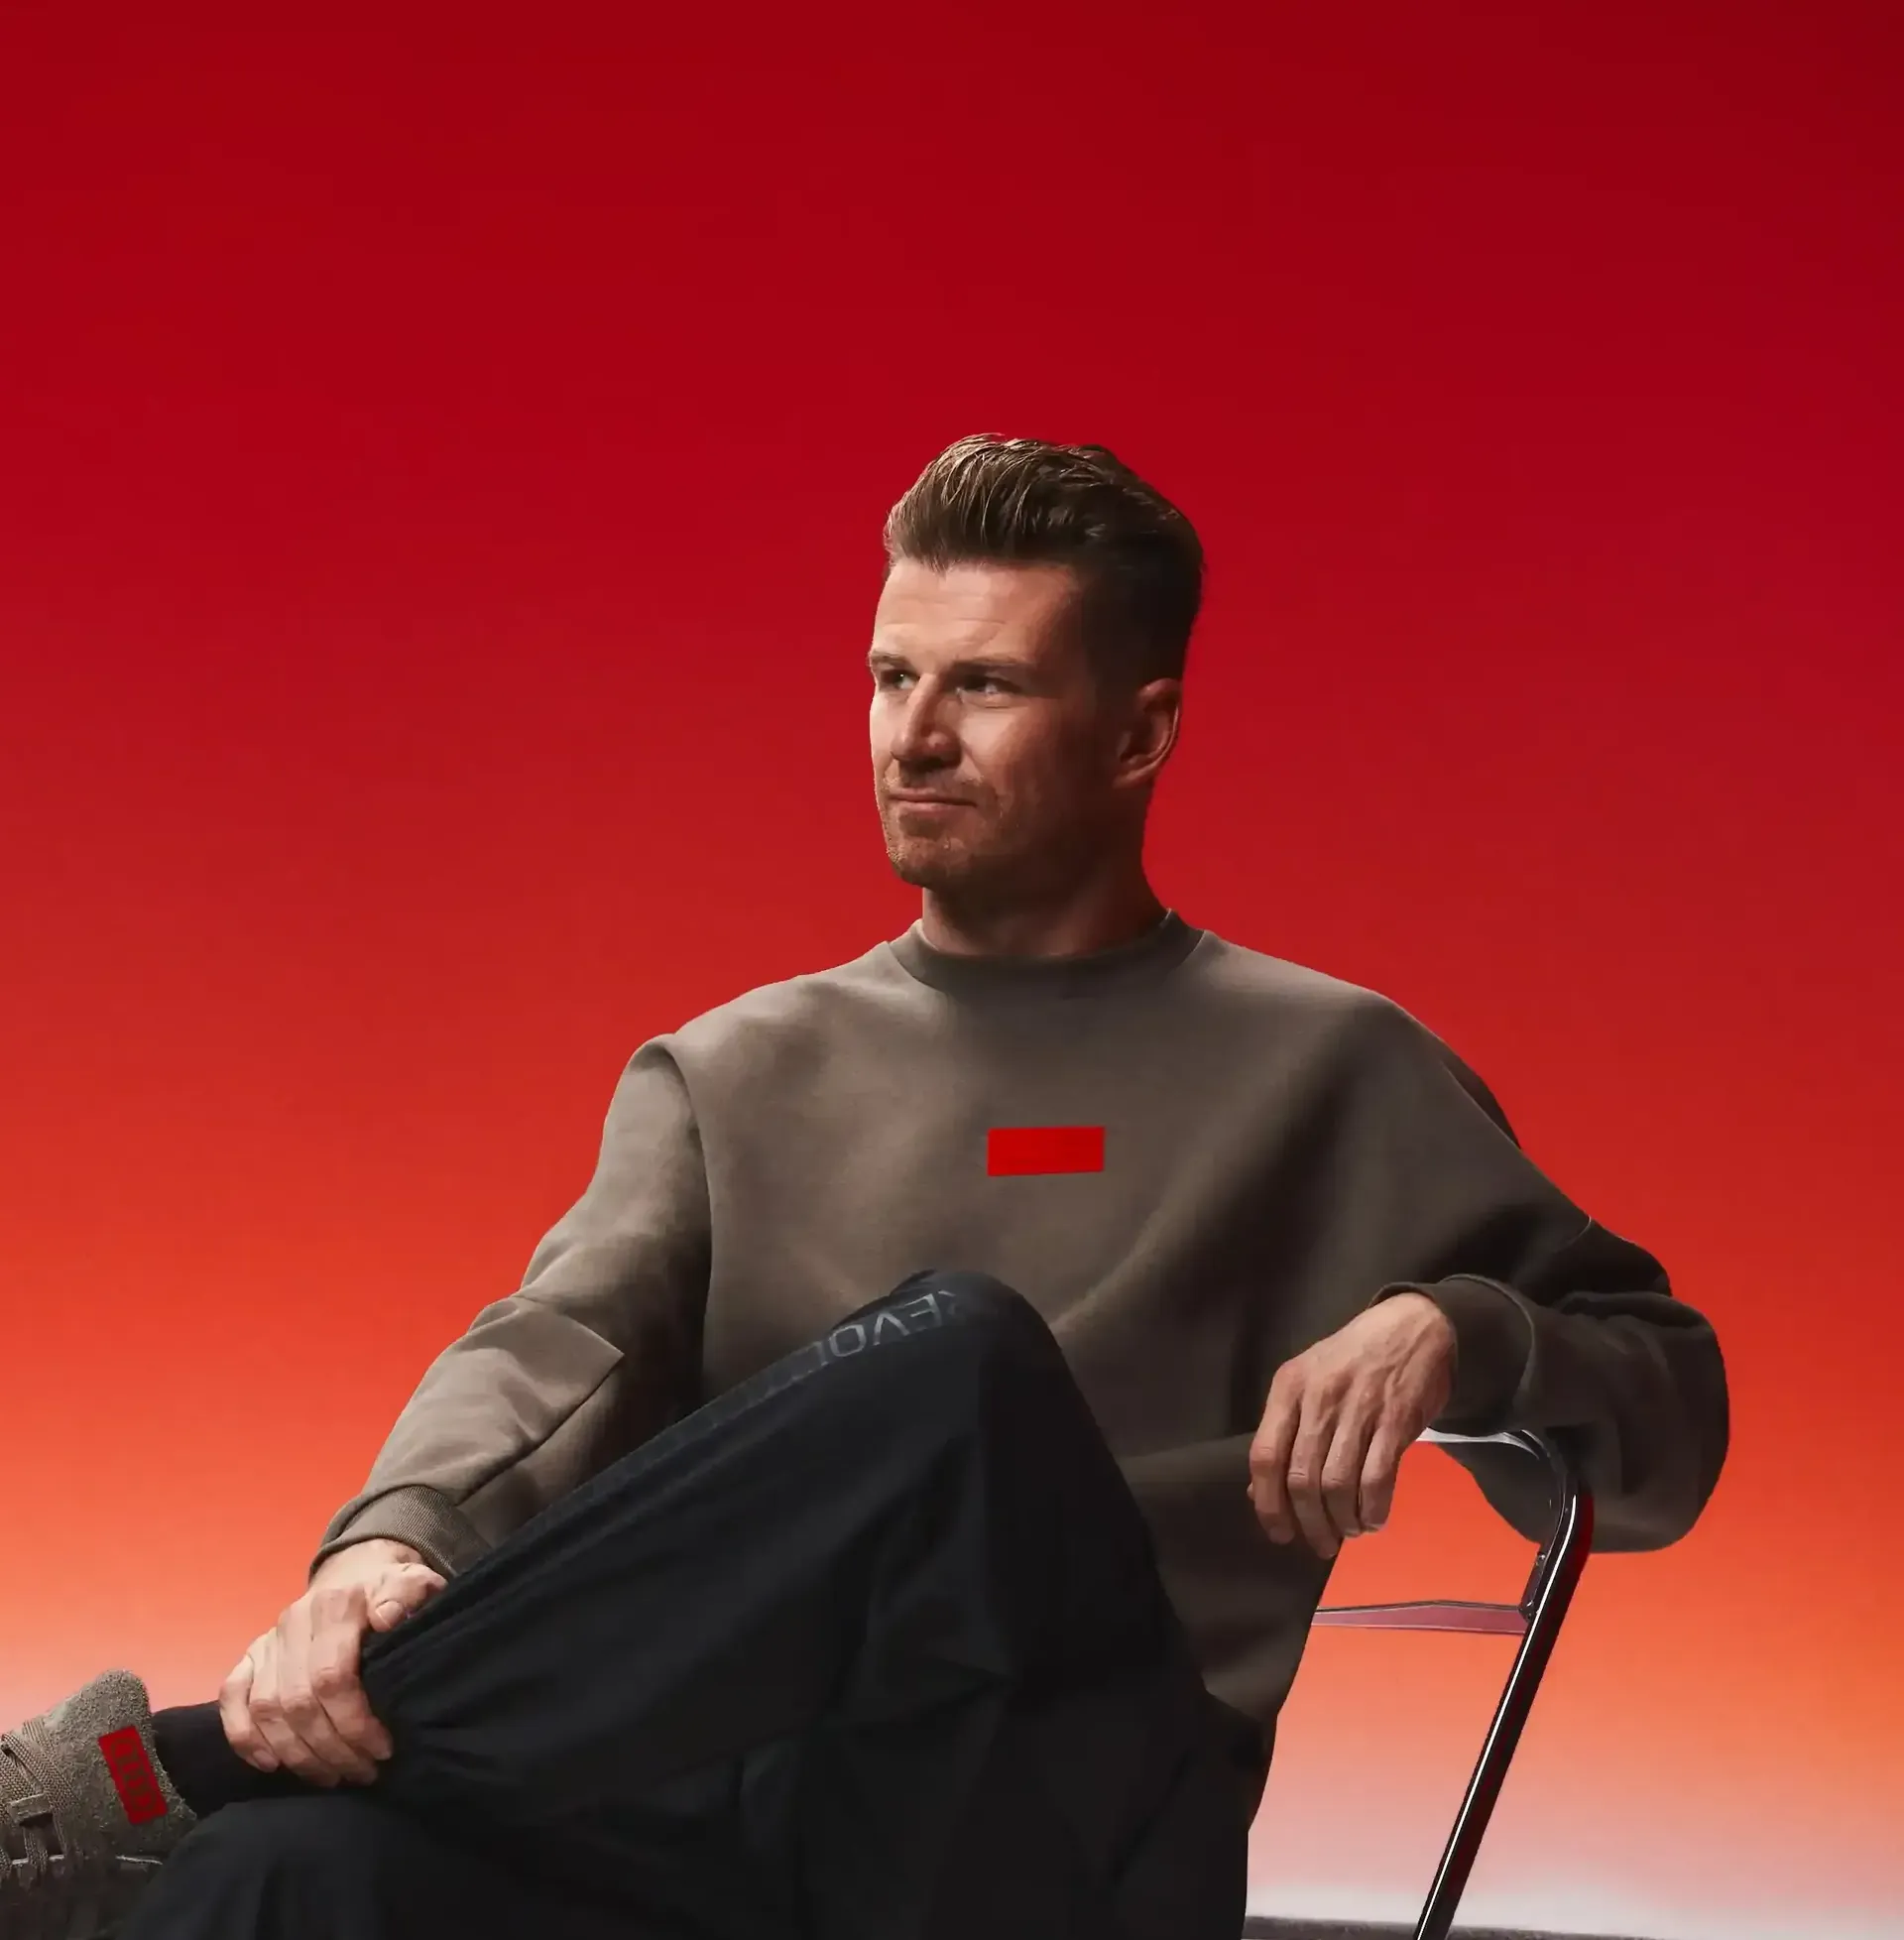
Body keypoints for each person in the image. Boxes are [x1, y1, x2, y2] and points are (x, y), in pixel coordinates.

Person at [0, 436, 1729, 1940]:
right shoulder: (730, 1070)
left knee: (962, 1369)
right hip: (711, 1831)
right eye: (892, 678)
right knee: (279, 1882)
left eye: (984, 685)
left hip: (1056, 1845)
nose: (916, 735)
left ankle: (176, 1760)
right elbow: (551, 1350)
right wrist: (383, 1552)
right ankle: (205, 1798)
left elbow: (1667, 1427)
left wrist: (1462, 1328)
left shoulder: (1333, 1069)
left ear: (1142, 735)